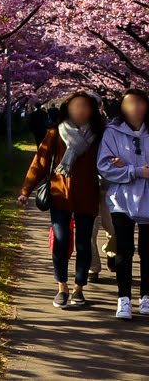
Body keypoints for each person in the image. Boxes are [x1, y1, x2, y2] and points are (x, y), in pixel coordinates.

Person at [19, 91, 103, 308]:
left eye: (85, 106)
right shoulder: (56, 133)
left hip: (87, 195)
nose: (81, 110)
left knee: (84, 244)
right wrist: (26, 190)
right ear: (68, 108)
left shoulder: (99, 134)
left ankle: (79, 288)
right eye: (76, 106)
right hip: (59, 194)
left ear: (92, 110)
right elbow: (40, 162)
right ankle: (62, 287)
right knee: (61, 240)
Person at [97, 87, 149, 320]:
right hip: (122, 200)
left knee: (148, 252)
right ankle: (123, 299)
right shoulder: (112, 132)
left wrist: (124, 167)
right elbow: (105, 167)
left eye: (139, 103)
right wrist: (137, 171)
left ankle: (146, 297)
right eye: (129, 104)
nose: (135, 108)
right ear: (121, 107)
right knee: (124, 250)